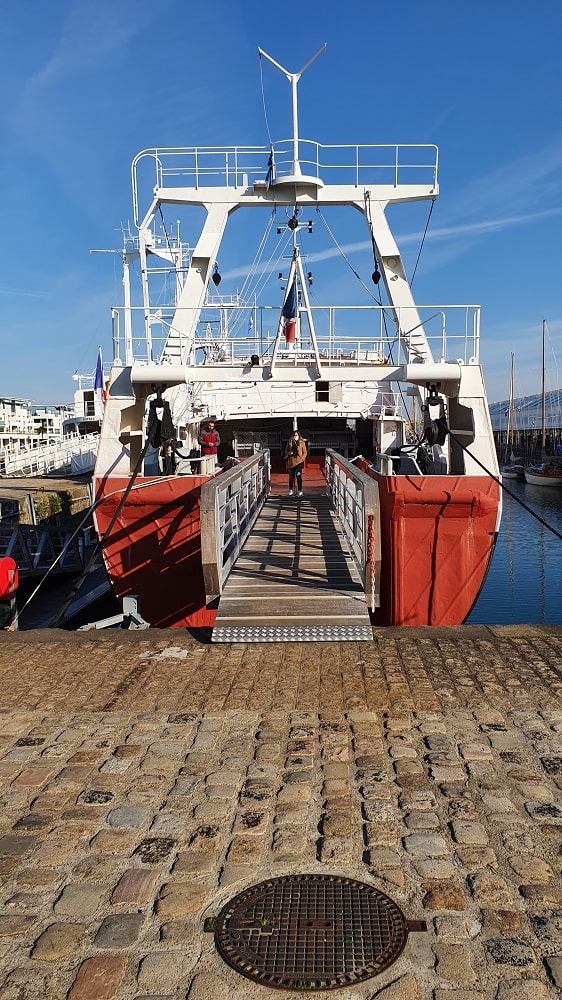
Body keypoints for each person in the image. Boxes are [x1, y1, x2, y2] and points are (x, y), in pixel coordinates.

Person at [284, 429, 307, 495]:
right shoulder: (289, 442)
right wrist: (289, 453)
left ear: (299, 435)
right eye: (294, 435)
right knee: (291, 477)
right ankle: (290, 489)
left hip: (299, 462)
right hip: (291, 462)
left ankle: (300, 490)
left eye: (296, 435)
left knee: (298, 475)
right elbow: (285, 451)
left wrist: (302, 459)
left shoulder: (302, 442)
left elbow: (305, 452)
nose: (295, 436)